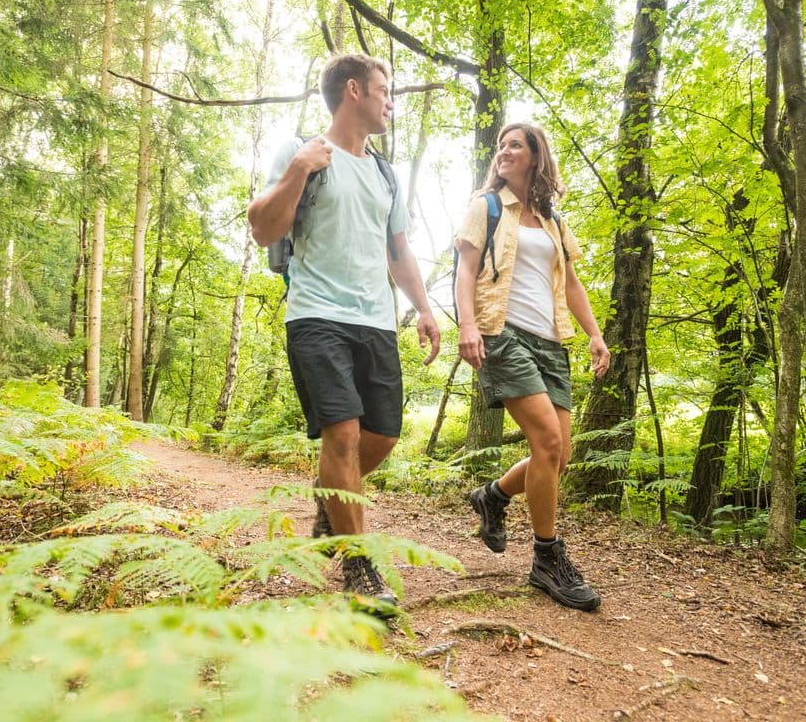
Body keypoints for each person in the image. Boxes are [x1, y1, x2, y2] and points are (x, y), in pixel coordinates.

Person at [248, 54, 440, 608]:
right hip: (315, 314)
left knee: (382, 436)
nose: (390, 102)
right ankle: (359, 569)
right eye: (385, 90)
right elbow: (263, 229)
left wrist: (424, 308)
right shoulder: (302, 151)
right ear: (354, 91)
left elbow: (398, 250)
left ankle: (328, 505)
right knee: (344, 436)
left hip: (375, 321)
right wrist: (298, 170)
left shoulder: (385, 173)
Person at [454, 122, 610, 612]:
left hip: (550, 343)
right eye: (501, 145)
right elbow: (465, 270)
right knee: (546, 441)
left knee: (558, 456)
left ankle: (493, 496)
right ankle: (547, 558)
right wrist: (468, 327)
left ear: (536, 155)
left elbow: (572, 286)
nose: (504, 151)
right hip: (502, 334)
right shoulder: (487, 206)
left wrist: (595, 334)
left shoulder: (553, 221)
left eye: (515, 145)